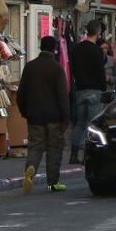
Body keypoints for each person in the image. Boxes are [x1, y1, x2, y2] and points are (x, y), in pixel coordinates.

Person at [17, 35, 70, 193]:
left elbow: (21, 94)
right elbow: (63, 96)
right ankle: (52, 182)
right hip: (54, 117)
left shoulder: (30, 67)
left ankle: (30, 169)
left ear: (41, 47)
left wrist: (25, 111)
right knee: (54, 148)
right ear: (54, 49)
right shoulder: (57, 68)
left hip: (34, 116)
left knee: (35, 146)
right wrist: (65, 118)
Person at [69, 20, 105, 165]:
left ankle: (73, 154)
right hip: (94, 90)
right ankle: (87, 155)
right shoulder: (96, 50)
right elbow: (100, 72)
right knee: (92, 125)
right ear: (98, 32)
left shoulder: (76, 49)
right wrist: (103, 89)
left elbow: (73, 68)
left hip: (80, 89)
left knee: (79, 123)